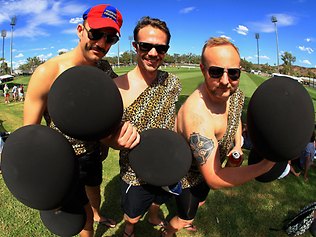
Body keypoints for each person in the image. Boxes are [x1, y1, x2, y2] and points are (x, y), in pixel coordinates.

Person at [23, 4, 139, 237]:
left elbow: (116, 104)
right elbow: (29, 134)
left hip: (94, 152)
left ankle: (97, 213)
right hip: (64, 158)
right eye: (95, 34)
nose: (101, 43)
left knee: (94, 187)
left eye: (110, 39)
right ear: (80, 30)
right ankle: (90, 223)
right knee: (83, 216)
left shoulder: (104, 69)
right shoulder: (49, 72)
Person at [162, 37, 275, 237]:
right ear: (203, 69)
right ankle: (168, 231)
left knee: (201, 199)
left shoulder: (234, 93)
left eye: (233, 72)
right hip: (189, 177)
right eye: (216, 71)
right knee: (185, 217)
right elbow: (214, 178)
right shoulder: (197, 117)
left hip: (210, 166)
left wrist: (238, 144)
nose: (225, 80)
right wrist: (265, 165)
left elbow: (236, 117)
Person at [113, 16, 181, 237]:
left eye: (160, 48)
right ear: (135, 46)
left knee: (161, 198)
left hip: (166, 164)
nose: (153, 53)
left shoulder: (172, 83)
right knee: (132, 212)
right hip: (135, 170)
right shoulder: (116, 88)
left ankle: (153, 215)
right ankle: (130, 229)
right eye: (146, 46)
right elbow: (107, 135)